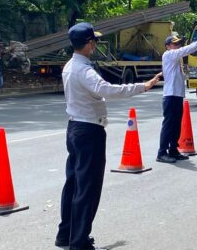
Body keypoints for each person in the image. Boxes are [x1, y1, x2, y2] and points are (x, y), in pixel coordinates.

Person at [55, 22, 161, 250]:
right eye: (93, 41)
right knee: (87, 187)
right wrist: (142, 86)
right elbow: (108, 90)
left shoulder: (70, 66)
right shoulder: (84, 70)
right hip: (89, 130)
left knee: (73, 183)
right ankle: (79, 240)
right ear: (88, 44)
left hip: (74, 128)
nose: (95, 45)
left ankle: (66, 234)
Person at [157, 34, 197, 163]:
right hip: (170, 95)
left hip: (177, 95)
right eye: (175, 44)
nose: (178, 46)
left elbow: (179, 78)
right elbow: (185, 50)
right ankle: (161, 152)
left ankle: (173, 150)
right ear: (167, 46)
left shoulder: (176, 61)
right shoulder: (168, 55)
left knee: (177, 125)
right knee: (169, 125)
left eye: (178, 44)